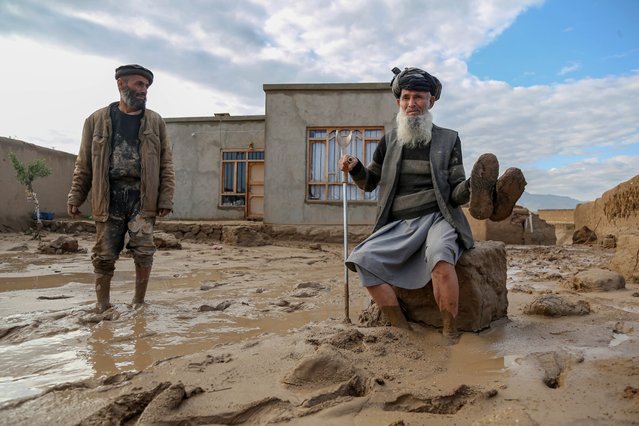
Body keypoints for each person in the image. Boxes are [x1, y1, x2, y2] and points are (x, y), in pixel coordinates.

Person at [339, 67, 525, 338]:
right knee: (363, 260)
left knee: (440, 259)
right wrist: (355, 167)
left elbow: (452, 191)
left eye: (418, 97)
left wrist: (469, 187)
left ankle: (450, 332)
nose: (411, 103)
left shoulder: (449, 139)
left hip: (439, 217)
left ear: (431, 101)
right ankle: (401, 327)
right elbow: (370, 182)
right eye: (406, 97)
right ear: (398, 102)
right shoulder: (389, 141)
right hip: (398, 223)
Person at [67, 64, 175, 313]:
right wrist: (76, 195)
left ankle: (138, 303)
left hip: (142, 197)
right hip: (108, 197)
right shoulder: (96, 120)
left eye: (146, 86)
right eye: (139, 84)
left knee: (144, 251)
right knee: (104, 255)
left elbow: (166, 163)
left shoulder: (155, 122)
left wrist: (165, 198)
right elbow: (83, 162)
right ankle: (103, 306)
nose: (144, 90)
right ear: (121, 84)